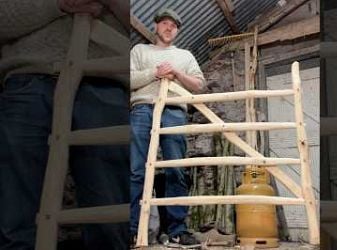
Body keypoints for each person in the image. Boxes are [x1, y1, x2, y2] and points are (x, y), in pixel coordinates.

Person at [0, 0, 130, 249]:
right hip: (27, 76)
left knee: (111, 209)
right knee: (15, 213)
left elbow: (134, 25)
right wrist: (58, 4)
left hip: (103, 79)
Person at [129, 8, 205, 247]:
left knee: (176, 170)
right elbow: (128, 79)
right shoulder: (139, 51)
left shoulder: (185, 56)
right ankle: (131, 230)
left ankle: (177, 231)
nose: (169, 27)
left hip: (173, 111)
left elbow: (199, 85)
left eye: (173, 25)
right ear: (156, 26)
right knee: (136, 171)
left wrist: (176, 73)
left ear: (178, 31)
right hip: (143, 109)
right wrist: (155, 72)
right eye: (164, 23)